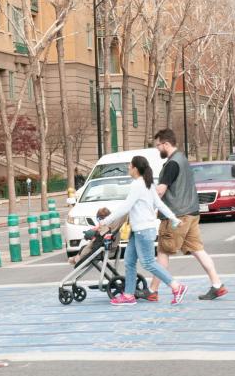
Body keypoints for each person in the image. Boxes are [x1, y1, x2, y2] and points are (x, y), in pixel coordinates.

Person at [144, 128, 228, 301]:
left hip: (177, 215)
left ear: (166, 144)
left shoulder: (172, 164)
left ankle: (152, 290)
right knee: (198, 250)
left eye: (158, 146)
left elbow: (161, 190)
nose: (157, 149)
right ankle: (217, 285)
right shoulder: (182, 160)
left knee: (163, 252)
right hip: (191, 213)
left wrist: (143, 200)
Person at [98, 155, 187, 305]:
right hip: (138, 230)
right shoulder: (148, 184)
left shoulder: (138, 185)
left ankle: (176, 286)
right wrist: (174, 219)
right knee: (129, 261)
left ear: (135, 168)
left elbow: (126, 207)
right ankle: (128, 295)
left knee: (148, 263)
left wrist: (105, 222)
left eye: (129, 165)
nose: (128, 167)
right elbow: (159, 204)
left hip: (143, 230)